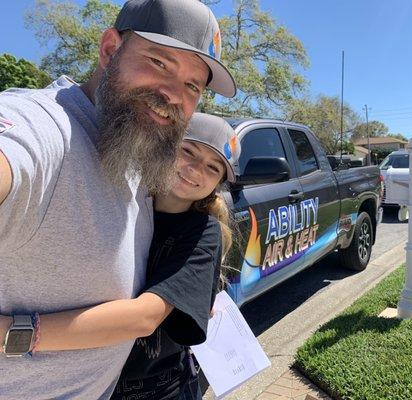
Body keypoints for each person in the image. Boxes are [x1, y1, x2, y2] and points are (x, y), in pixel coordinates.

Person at [0, 0, 236, 398]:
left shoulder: (135, 152)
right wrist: (17, 334)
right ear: (110, 49)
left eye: (193, 86)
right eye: (160, 62)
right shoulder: (45, 129)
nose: (173, 95)